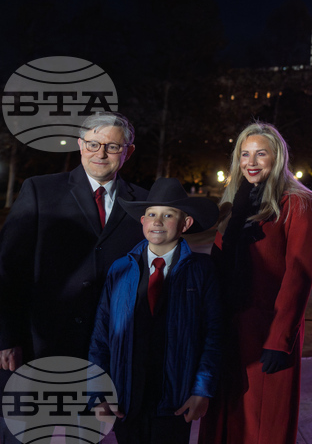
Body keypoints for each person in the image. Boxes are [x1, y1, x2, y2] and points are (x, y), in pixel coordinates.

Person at [0, 112, 148, 444]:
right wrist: (2, 336)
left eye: (112, 146)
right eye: (94, 144)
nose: (101, 153)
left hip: (100, 354)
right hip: (35, 345)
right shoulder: (41, 190)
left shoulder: (142, 205)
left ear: (128, 151)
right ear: (80, 145)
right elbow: (6, 268)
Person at [199, 122, 312, 444]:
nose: (251, 162)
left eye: (260, 154)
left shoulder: (297, 202)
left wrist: (280, 340)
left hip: (267, 332)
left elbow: (298, 275)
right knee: (226, 417)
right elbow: (217, 264)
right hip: (227, 328)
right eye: (244, 154)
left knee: (263, 423)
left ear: (277, 157)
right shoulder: (233, 202)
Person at [90, 178, 222, 444]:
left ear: (186, 224)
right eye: (151, 214)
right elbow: (101, 336)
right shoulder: (120, 270)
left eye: (168, 215)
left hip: (175, 400)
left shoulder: (202, 271)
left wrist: (202, 390)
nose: (157, 221)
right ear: (142, 221)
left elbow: (214, 336)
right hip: (126, 399)